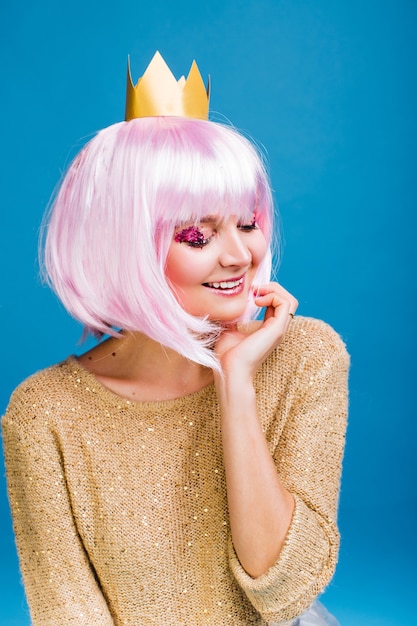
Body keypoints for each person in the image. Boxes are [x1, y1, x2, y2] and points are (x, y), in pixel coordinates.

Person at [2, 52, 349, 625]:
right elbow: (68, 612)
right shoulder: (44, 416)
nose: (239, 255)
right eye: (196, 234)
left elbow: (284, 592)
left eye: (247, 222)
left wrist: (235, 386)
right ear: (126, 245)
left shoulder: (306, 357)